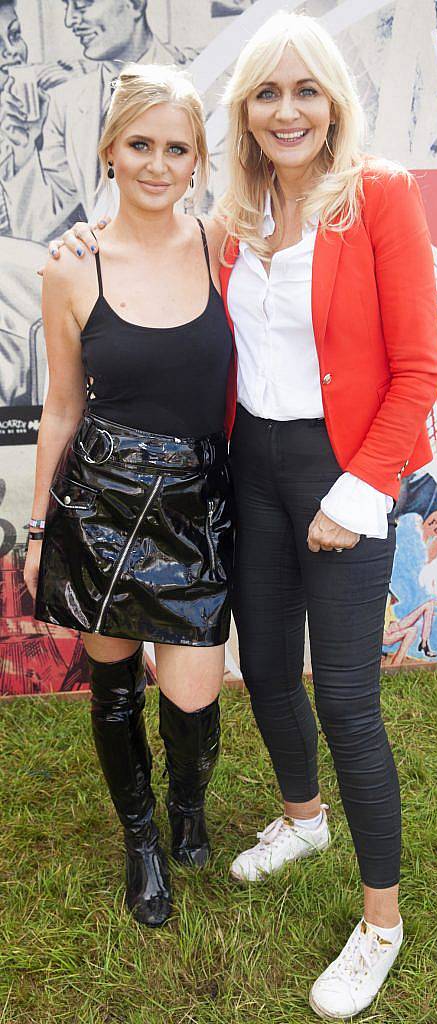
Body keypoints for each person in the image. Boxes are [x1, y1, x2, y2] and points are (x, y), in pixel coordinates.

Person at [49, 11, 437, 1018]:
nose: (286, 109)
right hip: (249, 469)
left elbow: (414, 367)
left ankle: (380, 922)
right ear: (246, 115)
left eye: (304, 89)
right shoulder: (241, 217)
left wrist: (367, 490)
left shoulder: (380, 197)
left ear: (333, 101)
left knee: (346, 699)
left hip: (342, 470)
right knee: (265, 667)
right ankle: (301, 816)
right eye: (265, 93)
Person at [25, 63, 234, 929]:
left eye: (175, 148)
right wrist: (41, 530)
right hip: (102, 504)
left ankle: (186, 799)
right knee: (114, 690)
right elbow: (63, 406)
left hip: (195, 503)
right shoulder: (71, 267)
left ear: (197, 162)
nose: (157, 164)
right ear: (110, 150)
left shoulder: (225, 243)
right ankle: (142, 837)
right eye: (140, 144)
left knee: (194, 696)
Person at [0, 0, 188, 242]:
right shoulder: (65, 104)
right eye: (67, 7)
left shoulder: (204, 88)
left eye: (82, 5)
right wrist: (24, 149)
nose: (70, 21)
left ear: (134, 4)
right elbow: (35, 228)